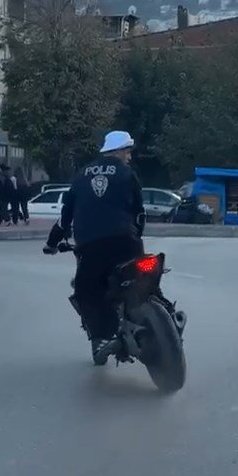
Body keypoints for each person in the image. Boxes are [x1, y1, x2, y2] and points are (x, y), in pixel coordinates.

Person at [44, 130, 149, 360]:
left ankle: (103, 337)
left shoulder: (81, 175)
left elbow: (65, 217)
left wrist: (52, 243)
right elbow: (140, 213)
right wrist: (136, 236)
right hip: (127, 243)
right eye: (127, 151)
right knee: (146, 273)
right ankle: (164, 308)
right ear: (118, 150)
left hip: (91, 248)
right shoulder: (127, 173)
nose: (129, 157)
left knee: (86, 291)